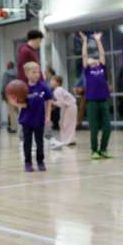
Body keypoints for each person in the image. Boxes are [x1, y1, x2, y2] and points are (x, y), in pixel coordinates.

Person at [13, 62, 53, 172]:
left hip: (39, 120)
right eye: (34, 72)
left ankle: (40, 162)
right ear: (27, 74)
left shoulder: (43, 86)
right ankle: (28, 163)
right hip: (26, 120)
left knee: (40, 142)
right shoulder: (23, 88)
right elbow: (17, 102)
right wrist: (20, 104)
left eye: (38, 72)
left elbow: (49, 100)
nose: (37, 74)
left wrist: (48, 116)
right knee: (27, 143)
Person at [78, 31, 112, 160]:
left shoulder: (101, 68)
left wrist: (98, 40)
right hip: (91, 101)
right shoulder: (88, 70)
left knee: (107, 127)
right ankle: (94, 150)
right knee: (94, 128)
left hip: (103, 100)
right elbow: (84, 55)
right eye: (90, 59)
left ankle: (103, 150)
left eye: (95, 59)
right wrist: (85, 41)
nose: (93, 59)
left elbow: (102, 54)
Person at [50, 75, 77, 148]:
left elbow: (62, 103)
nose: (51, 82)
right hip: (70, 106)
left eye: (53, 80)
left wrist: (53, 103)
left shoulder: (57, 91)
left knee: (66, 124)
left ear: (58, 83)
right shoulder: (60, 89)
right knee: (69, 123)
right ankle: (69, 139)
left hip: (69, 107)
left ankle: (67, 140)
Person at [0, 61, 19, 134]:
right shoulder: (17, 74)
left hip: (9, 95)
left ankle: (13, 128)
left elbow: (4, 85)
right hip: (17, 94)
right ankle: (20, 126)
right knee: (17, 111)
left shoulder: (6, 74)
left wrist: (2, 94)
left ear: (8, 66)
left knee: (11, 112)